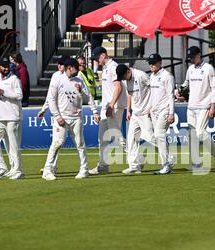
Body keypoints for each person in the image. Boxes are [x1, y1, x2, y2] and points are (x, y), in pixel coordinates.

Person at [42, 58, 99, 181]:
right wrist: (57, 116)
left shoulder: (79, 80)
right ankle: (47, 170)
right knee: (57, 144)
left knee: (80, 143)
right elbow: (51, 99)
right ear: (69, 68)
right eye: (76, 68)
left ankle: (84, 169)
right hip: (62, 118)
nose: (78, 70)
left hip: (77, 117)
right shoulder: (57, 80)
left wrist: (94, 111)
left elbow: (88, 96)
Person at [176, 45, 215, 171]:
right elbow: (186, 84)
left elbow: (214, 87)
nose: (191, 60)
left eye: (193, 57)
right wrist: (178, 91)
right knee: (192, 135)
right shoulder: (190, 69)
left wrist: (213, 106)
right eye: (190, 58)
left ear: (199, 55)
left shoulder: (208, 68)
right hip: (191, 106)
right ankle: (195, 162)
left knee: (200, 133)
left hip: (204, 106)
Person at [89, 46, 128, 175]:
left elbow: (118, 88)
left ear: (103, 55)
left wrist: (111, 105)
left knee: (117, 136)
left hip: (114, 107)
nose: (95, 60)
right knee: (102, 138)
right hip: (107, 107)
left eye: (96, 57)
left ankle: (135, 161)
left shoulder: (113, 67)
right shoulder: (106, 68)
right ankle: (103, 165)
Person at [0, 58, 24, 180]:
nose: (5, 68)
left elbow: (19, 96)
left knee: (13, 145)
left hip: (13, 117)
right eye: (2, 66)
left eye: (6, 66)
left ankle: (17, 170)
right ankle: (2, 168)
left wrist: (4, 93)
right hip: (0, 117)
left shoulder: (14, 79)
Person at [116, 64, 154, 174]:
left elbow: (154, 90)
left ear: (128, 71)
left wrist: (151, 108)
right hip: (135, 114)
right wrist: (128, 110)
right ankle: (134, 166)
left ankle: (168, 157)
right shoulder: (126, 79)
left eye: (123, 76)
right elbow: (130, 95)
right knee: (131, 138)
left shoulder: (141, 75)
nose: (122, 79)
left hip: (146, 113)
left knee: (150, 138)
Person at [148, 53, 176, 175]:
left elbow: (170, 96)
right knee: (157, 137)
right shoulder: (152, 76)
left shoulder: (167, 76)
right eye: (150, 63)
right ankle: (169, 159)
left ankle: (165, 164)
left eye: (154, 63)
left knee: (159, 135)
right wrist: (149, 108)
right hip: (154, 111)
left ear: (160, 63)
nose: (151, 65)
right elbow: (152, 95)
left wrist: (171, 113)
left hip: (164, 110)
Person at [75, 0, 106, 75]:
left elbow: (77, 15)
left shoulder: (84, 3)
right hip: (97, 30)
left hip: (86, 29)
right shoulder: (102, 5)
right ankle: (94, 71)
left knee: (90, 45)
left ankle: (88, 59)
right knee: (96, 50)